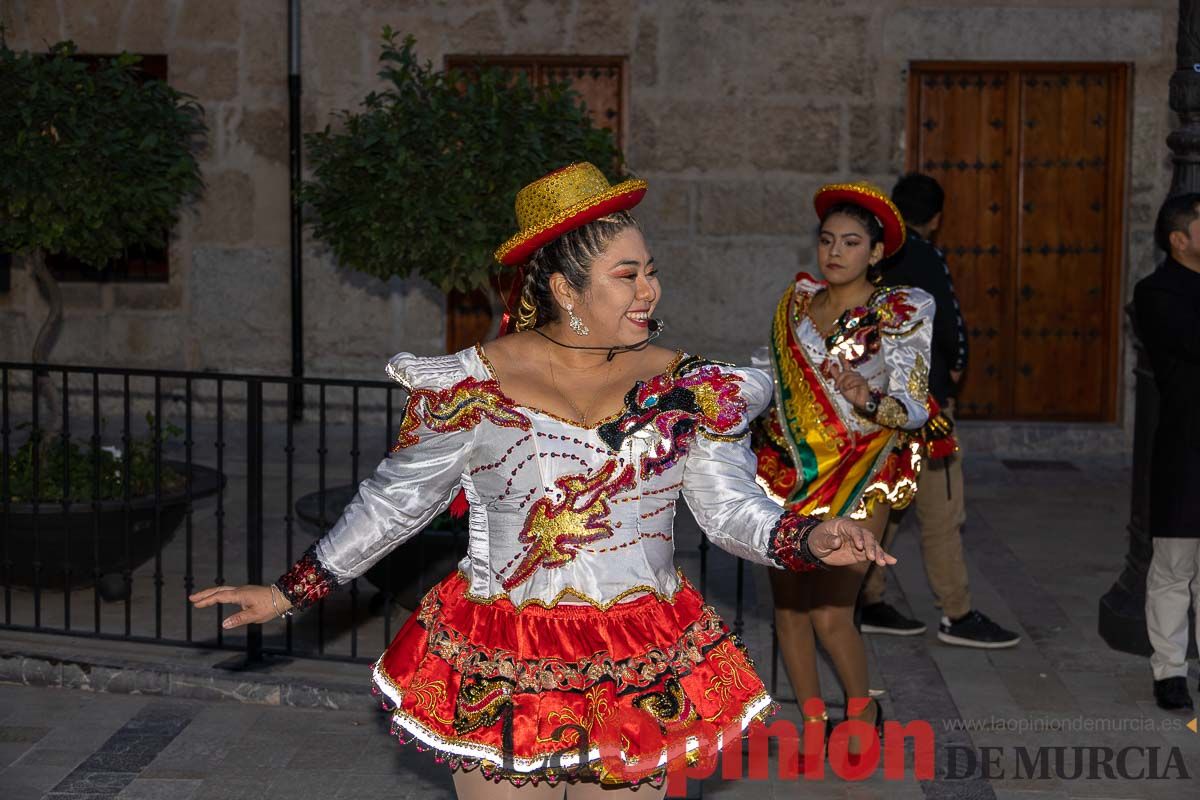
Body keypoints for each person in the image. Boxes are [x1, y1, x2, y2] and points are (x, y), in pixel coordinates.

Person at [190, 163, 896, 799]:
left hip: (636, 656)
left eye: (651, 269)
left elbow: (727, 510)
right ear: (565, 289)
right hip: (502, 652)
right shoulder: (475, 384)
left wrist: (806, 536)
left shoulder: (690, 389)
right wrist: (288, 593)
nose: (651, 290)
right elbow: (394, 505)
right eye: (628, 274)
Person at [751, 181, 931, 764]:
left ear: (876, 253)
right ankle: (808, 718)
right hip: (790, 470)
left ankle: (860, 709)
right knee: (788, 606)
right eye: (828, 240)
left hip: (864, 469)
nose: (835, 252)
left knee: (831, 610)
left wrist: (869, 399)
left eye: (852, 243)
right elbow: (772, 383)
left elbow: (916, 401)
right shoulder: (795, 304)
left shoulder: (902, 310)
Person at [857, 173, 1020, 649]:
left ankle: (868, 601)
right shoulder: (925, 256)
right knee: (942, 508)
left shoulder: (873, 257)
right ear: (936, 218)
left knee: (883, 504)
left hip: (877, 404)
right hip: (922, 408)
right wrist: (954, 372)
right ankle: (957, 612)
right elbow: (949, 327)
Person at [1135, 192, 1200, 713]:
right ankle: (1170, 671)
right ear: (1180, 239)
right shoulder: (1157, 292)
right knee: (1174, 563)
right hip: (1187, 442)